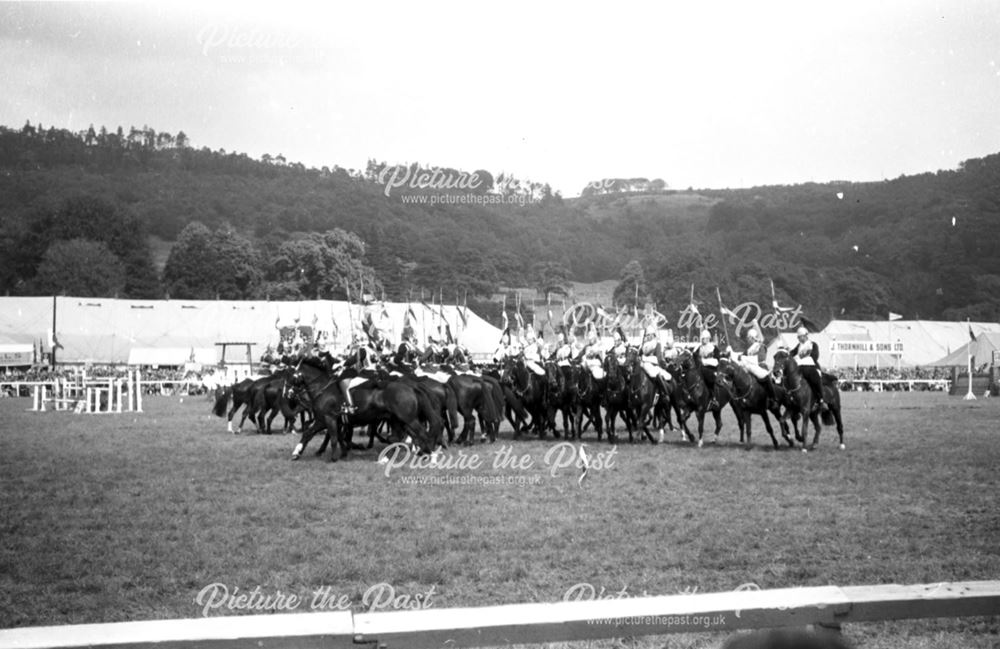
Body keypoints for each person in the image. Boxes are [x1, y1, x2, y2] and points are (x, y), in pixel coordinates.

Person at [339, 334, 377, 414]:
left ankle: (351, 407)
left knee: (347, 387)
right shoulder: (371, 349)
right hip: (375, 372)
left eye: (357, 340)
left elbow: (353, 360)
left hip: (367, 374)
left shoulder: (362, 350)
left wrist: (343, 363)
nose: (356, 342)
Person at [789, 325, 825, 410]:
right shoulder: (799, 346)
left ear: (805, 335)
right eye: (798, 337)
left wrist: (801, 358)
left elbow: (815, 356)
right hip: (799, 368)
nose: (799, 339)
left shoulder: (813, 345)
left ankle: (821, 400)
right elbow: (792, 353)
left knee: (816, 380)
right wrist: (787, 352)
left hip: (811, 367)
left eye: (800, 337)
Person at [639, 327, 673, 395]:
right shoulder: (643, 345)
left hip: (653, 366)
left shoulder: (657, 344)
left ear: (654, 335)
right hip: (643, 364)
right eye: (647, 335)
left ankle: (664, 393)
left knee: (657, 376)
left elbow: (659, 358)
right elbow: (639, 354)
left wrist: (663, 364)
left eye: (650, 335)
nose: (648, 336)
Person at [696, 329, 721, 408]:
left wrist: (705, 362)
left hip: (711, 369)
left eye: (704, 338)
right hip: (701, 368)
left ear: (708, 338)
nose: (703, 340)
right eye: (702, 338)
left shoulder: (714, 348)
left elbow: (717, 360)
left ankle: (713, 398)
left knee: (709, 379)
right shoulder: (699, 348)